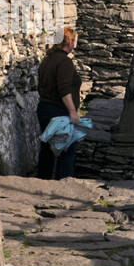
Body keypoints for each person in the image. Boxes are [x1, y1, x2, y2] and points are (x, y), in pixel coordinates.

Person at [37, 26, 83, 179]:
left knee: (47, 150)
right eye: (74, 41)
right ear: (69, 41)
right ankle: (63, 186)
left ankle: (42, 182)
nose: (74, 44)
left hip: (44, 109)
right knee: (66, 150)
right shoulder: (64, 62)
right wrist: (72, 112)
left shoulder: (47, 60)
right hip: (59, 112)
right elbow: (64, 90)